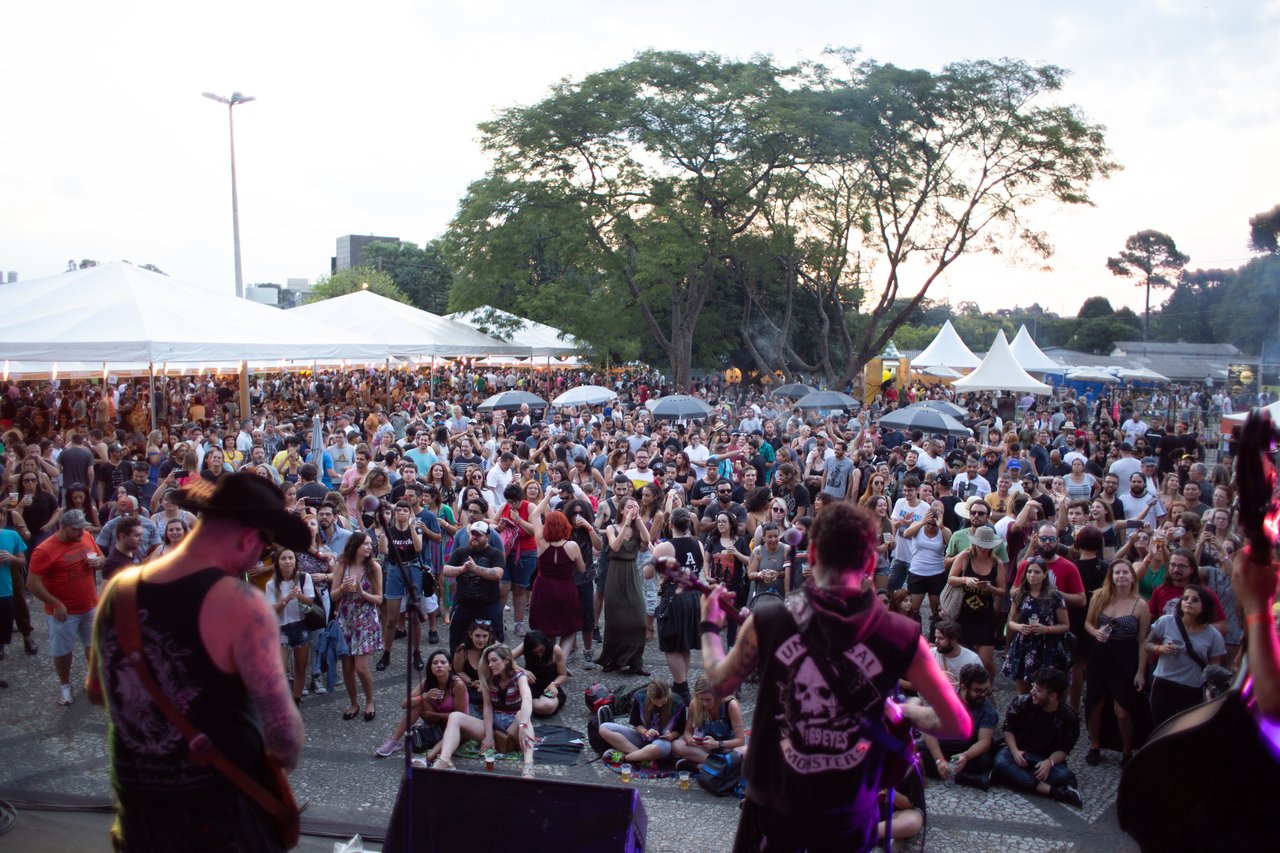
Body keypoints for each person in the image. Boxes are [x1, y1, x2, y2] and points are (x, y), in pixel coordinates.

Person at [699, 501, 969, 853]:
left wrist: (708, 626)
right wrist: (908, 711)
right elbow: (957, 724)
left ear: (810, 556)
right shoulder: (901, 634)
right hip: (849, 813)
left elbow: (720, 683)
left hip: (772, 808)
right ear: (871, 563)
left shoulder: (769, 620)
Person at [84, 470, 306, 852]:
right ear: (250, 537)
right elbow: (284, 736)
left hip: (139, 818)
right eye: (265, 548)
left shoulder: (120, 591)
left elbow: (97, 692)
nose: (260, 557)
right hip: (217, 825)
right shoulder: (242, 604)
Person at [27, 509, 104, 705]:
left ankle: (93, 680)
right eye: (76, 530)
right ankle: (65, 686)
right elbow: (32, 583)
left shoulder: (86, 536)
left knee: (93, 646)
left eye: (82, 528)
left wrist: (99, 562)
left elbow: (102, 557)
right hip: (63, 611)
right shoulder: (44, 550)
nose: (81, 533)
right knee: (62, 651)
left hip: (89, 604)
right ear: (63, 527)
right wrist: (55, 603)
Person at [434, 644, 537, 777]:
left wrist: (523, 724)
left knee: (522, 714)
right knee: (455, 717)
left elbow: (527, 699)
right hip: (494, 725)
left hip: (514, 725)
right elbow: (487, 707)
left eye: (494, 660)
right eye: (488, 661)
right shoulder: (488, 678)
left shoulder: (519, 676)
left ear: (506, 660)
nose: (490, 664)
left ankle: (528, 765)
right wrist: (488, 736)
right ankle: (445, 759)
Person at [1083, 560, 1149, 768]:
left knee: (1122, 709)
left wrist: (1140, 671)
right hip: (1100, 655)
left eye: (1125, 572)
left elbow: (1142, 641)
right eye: (1116, 572)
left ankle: (1127, 749)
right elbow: (1088, 623)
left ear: (1132, 577)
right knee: (1095, 704)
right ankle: (1095, 745)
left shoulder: (1140, 604)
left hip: (1125, 658)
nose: (1120, 576)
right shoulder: (1100, 596)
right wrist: (1096, 633)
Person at [993, 667, 1083, 807]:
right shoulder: (1021, 703)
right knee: (1000, 760)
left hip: (1044, 759)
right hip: (1019, 753)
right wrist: (1015, 751)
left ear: (1053, 696)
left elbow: (1064, 749)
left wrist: (1049, 762)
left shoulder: (1068, 718)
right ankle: (1053, 791)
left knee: (1062, 775)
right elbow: (1008, 730)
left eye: (1038, 690)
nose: (1032, 692)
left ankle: (1010, 777)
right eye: (1034, 687)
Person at [1145, 583, 1225, 727]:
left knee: (1186, 730)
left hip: (1192, 687)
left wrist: (1210, 691)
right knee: (1161, 727)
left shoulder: (1213, 635)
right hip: (1164, 683)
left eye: (1195, 600)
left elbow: (1215, 668)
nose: (1188, 602)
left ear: (1205, 605)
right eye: (1185, 598)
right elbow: (1147, 644)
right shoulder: (1166, 621)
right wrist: (1161, 648)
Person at [651, 508, 705, 701]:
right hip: (694, 597)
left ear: (670, 525)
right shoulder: (699, 543)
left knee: (672, 644)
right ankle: (680, 683)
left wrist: (655, 552)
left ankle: (682, 688)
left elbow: (648, 573)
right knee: (685, 643)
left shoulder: (665, 547)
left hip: (675, 597)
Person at [375, 649, 469, 760]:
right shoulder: (428, 681)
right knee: (418, 703)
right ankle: (393, 741)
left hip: (457, 724)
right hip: (437, 720)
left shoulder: (457, 685)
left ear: (449, 666)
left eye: (443, 663)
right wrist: (425, 696)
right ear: (430, 667)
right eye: (435, 663)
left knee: (451, 724)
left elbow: (460, 716)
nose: (439, 666)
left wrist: (433, 715)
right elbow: (404, 704)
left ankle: (432, 757)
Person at [920, 663, 998, 789]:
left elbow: (984, 741)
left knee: (985, 761)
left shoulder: (987, 709)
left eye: (985, 690)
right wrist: (939, 760)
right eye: (978, 691)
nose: (983, 695)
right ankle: (967, 779)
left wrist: (966, 755)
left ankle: (949, 773)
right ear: (963, 687)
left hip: (966, 750)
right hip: (942, 747)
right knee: (917, 753)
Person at [332, 531, 384, 722]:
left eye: (371, 544)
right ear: (355, 546)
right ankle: (354, 702)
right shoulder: (341, 564)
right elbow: (333, 596)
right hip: (346, 619)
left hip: (366, 619)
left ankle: (370, 700)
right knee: (346, 667)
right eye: (366, 544)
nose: (370, 547)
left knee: (361, 668)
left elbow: (379, 598)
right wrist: (343, 589)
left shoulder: (374, 567)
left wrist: (362, 592)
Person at [596, 497, 651, 675]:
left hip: (631, 572)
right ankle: (613, 660)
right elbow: (615, 546)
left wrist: (639, 520)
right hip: (615, 572)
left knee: (639, 619)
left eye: (635, 506)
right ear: (621, 510)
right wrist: (626, 524)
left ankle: (636, 661)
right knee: (614, 620)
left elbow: (647, 538)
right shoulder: (612, 527)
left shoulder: (637, 528)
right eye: (629, 507)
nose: (633, 509)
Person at [945, 525, 1006, 683]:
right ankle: (966, 687)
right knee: (964, 658)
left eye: (987, 546)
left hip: (985, 614)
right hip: (963, 612)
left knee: (985, 661)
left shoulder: (996, 563)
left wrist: (990, 588)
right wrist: (966, 580)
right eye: (980, 545)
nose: (983, 549)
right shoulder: (965, 556)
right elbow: (951, 578)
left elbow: (1002, 590)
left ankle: (987, 686)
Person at [1002, 557, 1071, 692]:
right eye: (1029, 572)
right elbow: (1011, 622)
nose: (1032, 575)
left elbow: (1065, 625)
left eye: (1037, 572)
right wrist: (1020, 627)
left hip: (1047, 646)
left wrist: (1047, 629)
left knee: (1046, 689)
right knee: (1023, 689)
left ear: (1045, 574)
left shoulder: (1055, 596)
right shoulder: (1020, 594)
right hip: (1024, 645)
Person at [526, 506, 587, 650]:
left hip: (543, 588)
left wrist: (549, 495)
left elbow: (534, 514)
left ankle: (549, 660)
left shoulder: (541, 542)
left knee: (546, 628)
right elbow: (582, 569)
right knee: (569, 628)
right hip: (565, 588)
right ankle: (562, 660)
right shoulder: (572, 546)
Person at [264, 547, 315, 708]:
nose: (287, 562)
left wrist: (298, 595)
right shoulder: (271, 585)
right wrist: (285, 599)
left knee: (301, 668)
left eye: (290, 558)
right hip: (282, 629)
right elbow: (272, 611)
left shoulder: (303, 578)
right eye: (283, 559)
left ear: (295, 561)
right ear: (277, 563)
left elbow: (310, 601)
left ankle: (296, 700)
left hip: (301, 627)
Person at [444, 522, 507, 650]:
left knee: (495, 643)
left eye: (479, 535)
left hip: (488, 606)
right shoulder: (461, 552)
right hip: (464, 605)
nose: (475, 537)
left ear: (487, 537)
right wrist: (462, 569)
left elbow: (498, 574)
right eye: (473, 534)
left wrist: (475, 568)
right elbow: (446, 570)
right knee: (456, 642)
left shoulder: (495, 553)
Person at [599, 678, 688, 767]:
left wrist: (671, 735)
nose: (660, 705)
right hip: (642, 739)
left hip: (662, 743)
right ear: (649, 695)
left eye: (663, 702)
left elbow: (680, 730)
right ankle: (642, 758)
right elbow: (636, 724)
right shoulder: (640, 696)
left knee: (658, 749)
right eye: (656, 702)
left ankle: (626, 758)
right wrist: (645, 732)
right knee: (604, 728)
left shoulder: (678, 702)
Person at [672, 673, 746, 766]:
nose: (704, 703)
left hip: (727, 747)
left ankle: (704, 764)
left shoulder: (730, 705)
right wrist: (691, 740)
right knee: (676, 745)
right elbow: (687, 732)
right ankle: (717, 764)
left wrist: (718, 744)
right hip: (705, 748)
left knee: (745, 752)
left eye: (708, 699)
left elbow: (740, 740)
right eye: (701, 699)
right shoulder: (695, 704)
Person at [513, 629, 570, 716]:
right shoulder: (525, 646)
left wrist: (554, 684)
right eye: (535, 652)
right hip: (528, 685)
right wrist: (523, 671)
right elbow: (506, 659)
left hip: (548, 687)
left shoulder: (555, 650)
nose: (539, 654)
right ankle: (525, 704)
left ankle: (524, 704)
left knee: (546, 706)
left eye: (541, 650)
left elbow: (563, 674)